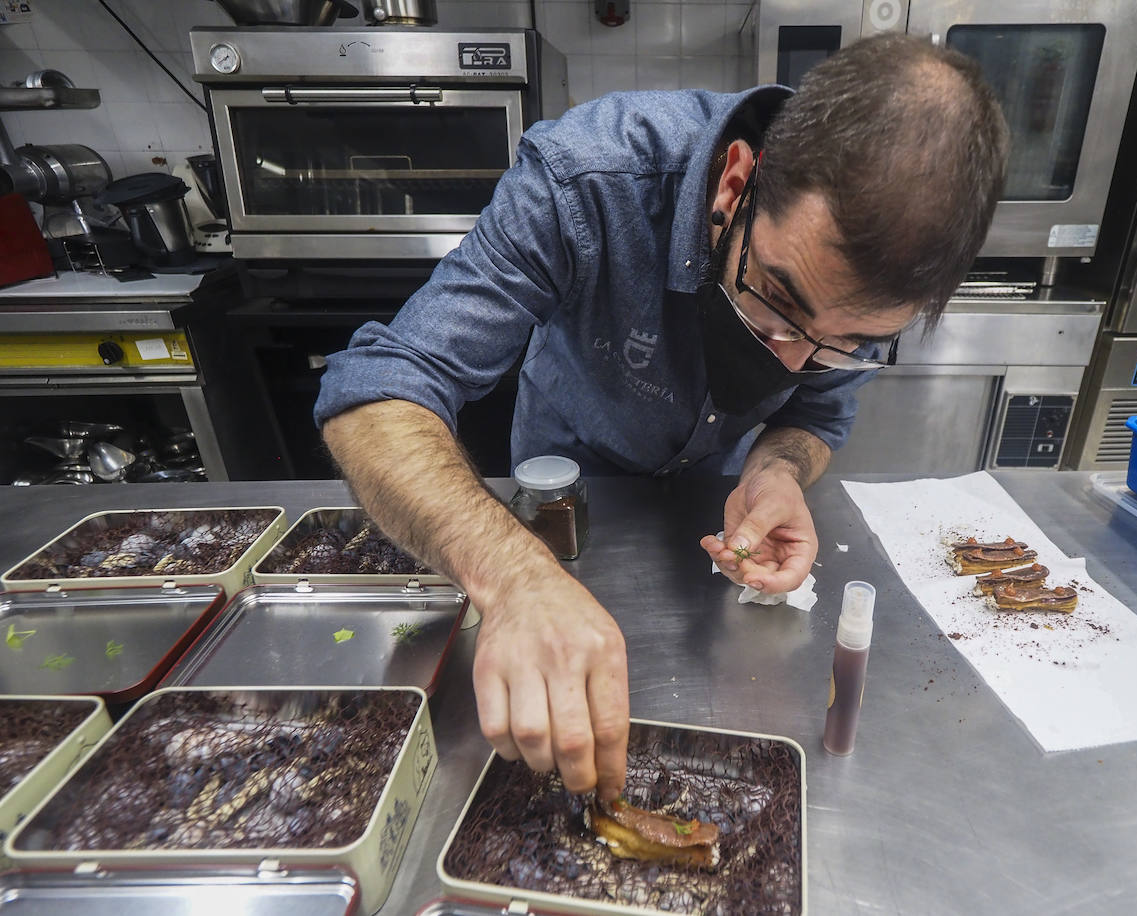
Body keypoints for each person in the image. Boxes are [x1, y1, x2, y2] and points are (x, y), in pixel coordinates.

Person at [315, 34, 1009, 802]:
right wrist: (514, 578)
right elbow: (378, 388)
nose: (790, 359)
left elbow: (816, 411)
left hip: (707, 513)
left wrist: (775, 471)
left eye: (844, 345)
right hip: (559, 506)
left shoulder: (842, 310)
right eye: (779, 302)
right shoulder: (588, 178)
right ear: (735, 183)